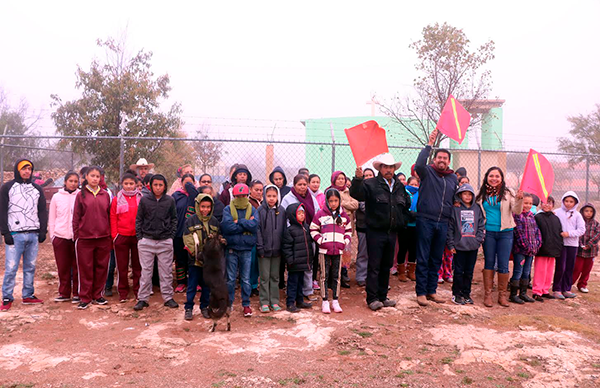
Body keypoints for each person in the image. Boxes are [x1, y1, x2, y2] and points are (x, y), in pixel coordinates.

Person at [350, 153, 410, 311]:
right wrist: (357, 179)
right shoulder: (370, 184)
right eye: (385, 167)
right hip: (375, 232)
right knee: (375, 265)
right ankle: (372, 298)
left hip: (392, 232)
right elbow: (356, 194)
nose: (388, 170)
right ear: (380, 168)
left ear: (394, 169)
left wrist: (401, 222)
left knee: (387, 265)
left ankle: (383, 296)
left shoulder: (399, 186)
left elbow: (405, 205)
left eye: (391, 167)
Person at [414, 129, 458, 306]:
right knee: (423, 258)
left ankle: (432, 291)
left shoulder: (453, 178)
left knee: (436, 258)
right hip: (425, 220)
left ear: (448, 162)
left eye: (445, 158)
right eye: (439, 157)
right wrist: (429, 145)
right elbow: (418, 165)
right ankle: (421, 292)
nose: (442, 160)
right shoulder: (427, 172)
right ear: (434, 159)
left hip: (443, 223)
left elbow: (454, 197)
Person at [1, 159, 48, 312]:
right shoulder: (7, 188)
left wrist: (42, 230)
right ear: (18, 170)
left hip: (33, 234)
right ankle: (7, 297)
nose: (27, 171)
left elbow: (42, 210)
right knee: (11, 267)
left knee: (30, 266)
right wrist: (5, 232)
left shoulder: (37, 189)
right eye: (24, 168)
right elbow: (2, 210)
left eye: (29, 169)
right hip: (14, 235)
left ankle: (28, 294)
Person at [476, 167, 523, 308]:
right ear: (487, 177)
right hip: (488, 232)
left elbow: (517, 210)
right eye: (491, 176)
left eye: (497, 176)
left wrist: (520, 200)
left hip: (505, 233)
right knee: (489, 263)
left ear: (502, 178)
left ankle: (502, 296)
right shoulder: (480, 193)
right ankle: (488, 295)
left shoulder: (509, 193)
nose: (494, 178)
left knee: (503, 263)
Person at [134, 174, 179, 311]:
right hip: (146, 241)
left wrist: (170, 236)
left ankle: (168, 297)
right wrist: (140, 237)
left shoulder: (170, 201)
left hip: (165, 241)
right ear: (151, 186)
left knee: (166, 271)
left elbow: (174, 219)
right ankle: (143, 299)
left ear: (165, 186)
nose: (158, 188)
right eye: (155, 185)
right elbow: (139, 219)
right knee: (146, 272)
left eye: (161, 185)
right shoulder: (145, 200)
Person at [72, 166, 112, 310]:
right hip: (85, 239)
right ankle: (85, 297)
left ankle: (98, 295)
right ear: (86, 177)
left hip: (103, 238)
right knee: (85, 269)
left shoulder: (105, 195)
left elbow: (109, 216)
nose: (95, 178)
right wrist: (77, 236)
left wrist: (109, 236)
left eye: (98, 176)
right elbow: (76, 217)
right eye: (92, 176)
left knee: (101, 268)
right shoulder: (80, 195)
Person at [310, 189, 352, 313]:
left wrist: (345, 241)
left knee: (337, 276)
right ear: (327, 202)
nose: (333, 203)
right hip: (324, 250)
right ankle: (324, 301)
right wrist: (320, 240)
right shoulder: (320, 214)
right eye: (331, 201)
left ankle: (335, 300)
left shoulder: (343, 216)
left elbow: (349, 230)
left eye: (336, 201)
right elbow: (313, 229)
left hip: (338, 251)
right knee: (324, 275)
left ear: (339, 201)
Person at [182, 194, 222, 320]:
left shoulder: (214, 222)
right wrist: (196, 253)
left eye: (208, 207)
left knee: (206, 286)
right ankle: (188, 308)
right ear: (197, 206)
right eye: (203, 207)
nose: (205, 210)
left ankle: (204, 307)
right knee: (192, 285)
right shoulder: (191, 221)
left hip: (209, 262)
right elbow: (187, 238)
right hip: (195, 261)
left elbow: (217, 239)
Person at [221, 183, 259, 317]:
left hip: (247, 249)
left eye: (244, 195)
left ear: (248, 196)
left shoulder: (253, 209)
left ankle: (246, 304)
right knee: (230, 279)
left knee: (246, 279)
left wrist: (238, 222)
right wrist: (245, 223)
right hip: (232, 248)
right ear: (234, 196)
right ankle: (229, 303)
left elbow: (254, 226)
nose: (241, 198)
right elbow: (227, 227)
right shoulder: (227, 209)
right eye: (238, 196)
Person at [281, 175, 320, 300]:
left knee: (308, 263)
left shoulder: (311, 198)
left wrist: (313, 230)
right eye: (299, 184)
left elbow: (317, 214)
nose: (302, 187)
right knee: (295, 267)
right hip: (294, 237)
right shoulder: (288, 198)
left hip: (308, 234)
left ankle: (307, 291)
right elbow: (285, 217)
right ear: (294, 185)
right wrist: (293, 232)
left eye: (304, 184)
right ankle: (293, 294)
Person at [446, 183, 484, 305]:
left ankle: (466, 294)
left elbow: (481, 225)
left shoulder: (477, 208)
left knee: (469, 272)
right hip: (459, 247)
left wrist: (478, 240)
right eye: (464, 194)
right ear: (460, 195)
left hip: (472, 246)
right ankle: (456, 294)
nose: (467, 197)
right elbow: (450, 228)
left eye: (469, 194)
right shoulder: (455, 209)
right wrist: (451, 245)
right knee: (458, 271)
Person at [48, 171, 80, 303]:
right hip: (60, 237)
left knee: (77, 266)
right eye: (70, 181)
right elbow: (52, 218)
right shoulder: (56, 197)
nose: (73, 184)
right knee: (63, 266)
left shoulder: (81, 196)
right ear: (65, 182)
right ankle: (64, 293)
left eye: (75, 181)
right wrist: (53, 236)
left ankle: (77, 293)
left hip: (77, 237)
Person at [110, 172, 142, 303]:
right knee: (122, 267)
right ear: (122, 184)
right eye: (126, 184)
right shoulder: (117, 199)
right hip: (121, 237)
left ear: (135, 185)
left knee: (137, 266)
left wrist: (142, 235)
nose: (129, 186)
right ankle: (123, 292)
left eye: (131, 184)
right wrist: (115, 236)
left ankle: (138, 290)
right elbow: (113, 217)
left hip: (137, 236)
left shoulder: (141, 198)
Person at [256, 185, 286, 313]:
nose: (271, 199)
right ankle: (264, 302)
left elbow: (284, 229)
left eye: (274, 196)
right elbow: (257, 230)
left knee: (275, 277)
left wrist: (283, 246)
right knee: (264, 277)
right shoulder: (260, 211)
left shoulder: (282, 211)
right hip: (264, 250)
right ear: (264, 196)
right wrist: (260, 247)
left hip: (277, 250)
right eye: (269, 196)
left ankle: (274, 301)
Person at [327, 171, 358, 288]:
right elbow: (335, 206)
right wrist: (346, 204)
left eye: (342, 178)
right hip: (335, 227)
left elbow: (356, 204)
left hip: (347, 226)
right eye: (338, 178)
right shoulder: (330, 191)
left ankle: (343, 276)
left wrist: (344, 203)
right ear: (334, 180)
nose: (341, 181)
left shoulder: (347, 191)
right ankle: (332, 278)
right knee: (335, 252)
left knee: (345, 252)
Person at [553, 191, 585, 299]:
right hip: (560, 244)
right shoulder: (556, 212)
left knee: (570, 267)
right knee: (560, 266)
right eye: (566, 201)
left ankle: (566, 289)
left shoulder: (577, 215)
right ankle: (557, 289)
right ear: (563, 201)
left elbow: (581, 230)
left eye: (571, 201)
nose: (568, 203)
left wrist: (569, 234)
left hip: (572, 245)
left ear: (575, 203)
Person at [510, 193, 542, 304]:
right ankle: (513, 294)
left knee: (527, 271)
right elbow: (519, 233)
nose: (528, 205)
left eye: (530, 203)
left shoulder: (531, 215)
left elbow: (537, 231)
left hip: (532, 250)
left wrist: (538, 243)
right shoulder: (517, 216)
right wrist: (527, 246)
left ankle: (523, 293)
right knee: (518, 270)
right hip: (521, 250)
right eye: (525, 203)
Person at [282, 203, 313, 313]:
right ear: (293, 215)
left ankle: (300, 301)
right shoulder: (290, 230)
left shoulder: (306, 227)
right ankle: (290, 303)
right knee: (293, 283)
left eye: (303, 213)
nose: (301, 215)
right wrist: (290, 260)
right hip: (294, 263)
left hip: (304, 262)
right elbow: (287, 247)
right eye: (298, 213)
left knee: (301, 283)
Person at [172, 174, 199, 293]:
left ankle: (195, 282)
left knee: (194, 258)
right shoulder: (176, 196)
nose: (188, 185)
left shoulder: (197, 196)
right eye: (185, 183)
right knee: (180, 259)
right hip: (179, 233)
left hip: (193, 234)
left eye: (190, 183)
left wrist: (192, 191)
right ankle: (181, 282)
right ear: (181, 183)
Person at [532, 196, 563, 302]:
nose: (546, 205)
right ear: (541, 204)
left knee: (549, 271)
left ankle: (545, 290)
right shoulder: (538, 217)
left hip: (553, 249)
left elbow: (558, 233)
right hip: (542, 249)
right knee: (540, 270)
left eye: (549, 203)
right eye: (544, 203)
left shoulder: (556, 218)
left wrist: (558, 247)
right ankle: (537, 291)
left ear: (553, 205)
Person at [572, 203, 600, 293]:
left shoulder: (596, 223)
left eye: (591, 211)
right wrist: (581, 244)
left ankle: (582, 285)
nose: (588, 213)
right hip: (580, 250)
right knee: (577, 268)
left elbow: (597, 235)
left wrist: (590, 244)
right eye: (586, 211)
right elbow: (577, 233)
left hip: (591, 251)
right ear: (582, 212)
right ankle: (569, 283)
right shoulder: (579, 222)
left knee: (587, 269)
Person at [355, 168, 375, 287]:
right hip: (363, 226)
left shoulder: (377, 188)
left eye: (370, 175)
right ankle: (361, 276)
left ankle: (372, 277)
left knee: (375, 253)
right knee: (363, 252)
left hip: (376, 227)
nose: (368, 177)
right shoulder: (360, 190)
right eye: (366, 175)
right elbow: (360, 205)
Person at [397, 176, 419, 282]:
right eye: (412, 184)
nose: (414, 186)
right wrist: (408, 213)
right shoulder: (404, 192)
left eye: (416, 184)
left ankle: (411, 272)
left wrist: (417, 214)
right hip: (405, 225)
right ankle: (401, 272)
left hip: (416, 225)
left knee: (413, 249)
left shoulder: (420, 194)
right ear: (408, 184)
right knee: (403, 248)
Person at [248, 180, 264, 297]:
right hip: (251, 236)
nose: (259, 192)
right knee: (251, 262)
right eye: (256, 190)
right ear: (250, 190)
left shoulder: (264, 203)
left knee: (257, 263)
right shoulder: (248, 203)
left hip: (262, 236)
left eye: (260, 190)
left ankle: (254, 285)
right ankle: (248, 286)